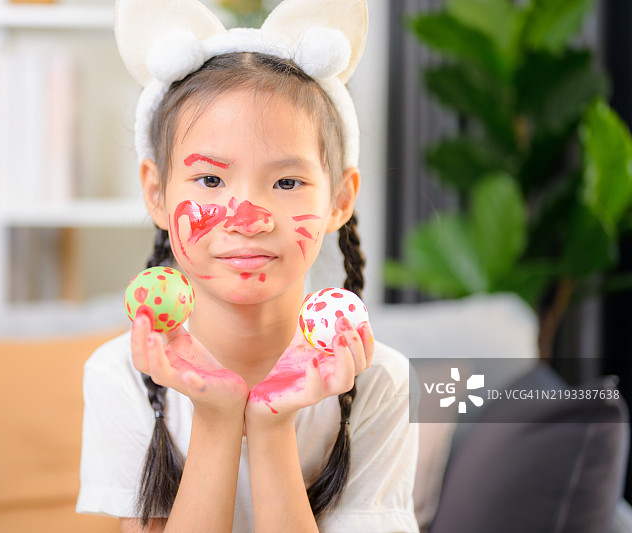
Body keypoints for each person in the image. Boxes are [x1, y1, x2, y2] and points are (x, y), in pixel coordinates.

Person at [77, 0, 419, 531]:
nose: (247, 217)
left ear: (339, 199)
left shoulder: (378, 383)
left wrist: (271, 428)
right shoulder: (124, 373)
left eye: (287, 182)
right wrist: (216, 419)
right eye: (211, 181)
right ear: (156, 192)